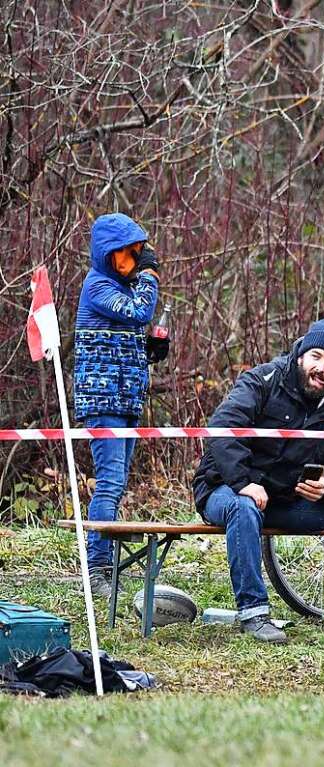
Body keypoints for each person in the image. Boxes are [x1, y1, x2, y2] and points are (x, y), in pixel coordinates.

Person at [193, 319, 324, 644]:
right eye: (316, 356)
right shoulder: (262, 380)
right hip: (225, 489)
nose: (320, 368)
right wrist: (243, 482)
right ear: (300, 354)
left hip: (286, 501)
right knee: (244, 506)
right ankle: (253, 614)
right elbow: (222, 430)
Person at [73, 213, 160, 598]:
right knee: (108, 484)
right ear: (110, 254)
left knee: (117, 483)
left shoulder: (120, 289)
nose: (135, 261)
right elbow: (140, 310)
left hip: (125, 397)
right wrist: (151, 276)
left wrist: (149, 349)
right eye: (128, 253)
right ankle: (98, 569)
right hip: (102, 398)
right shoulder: (97, 286)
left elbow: (127, 330)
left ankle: (105, 566)